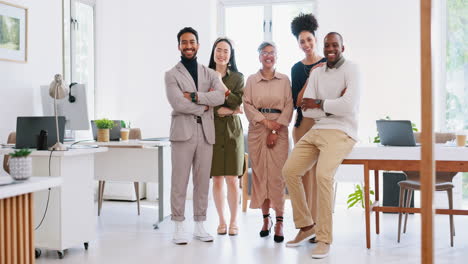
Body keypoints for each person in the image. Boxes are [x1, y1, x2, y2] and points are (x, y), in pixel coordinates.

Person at [283, 32, 361, 259]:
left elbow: (348, 106)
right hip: (317, 128)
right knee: (290, 171)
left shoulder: (352, 70)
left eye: (334, 45)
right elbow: (306, 109)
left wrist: (319, 102)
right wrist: (330, 104)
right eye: (327, 45)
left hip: (342, 131)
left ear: (342, 48)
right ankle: (307, 226)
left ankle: (324, 238)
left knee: (323, 176)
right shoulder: (316, 72)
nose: (330, 49)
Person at [165, 27, 225, 245]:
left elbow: (219, 97)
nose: (188, 46)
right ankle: (178, 226)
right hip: (182, 134)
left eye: (192, 42)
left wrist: (195, 97)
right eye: (184, 42)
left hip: (206, 133)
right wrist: (204, 106)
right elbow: (177, 103)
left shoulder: (211, 74)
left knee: (202, 182)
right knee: (179, 181)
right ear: (179, 46)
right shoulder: (171, 74)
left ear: (198, 45)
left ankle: (200, 225)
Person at [243, 41, 293, 243]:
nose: (268, 56)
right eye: (264, 53)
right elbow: (247, 105)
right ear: (259, 57)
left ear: (277, 56)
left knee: (277, 177)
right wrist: (265, 123)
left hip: (279, 131)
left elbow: (290, 106)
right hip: (257, 130)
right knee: (260, 176)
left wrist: (274, 129)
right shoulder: (251, 80)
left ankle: (280, 221)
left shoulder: (284, 80)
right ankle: (266, 220)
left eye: (272, 53)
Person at [289, 13, 326, 241]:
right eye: (302, 41)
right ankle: (307, 225)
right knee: (303, 175)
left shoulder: (327, 63)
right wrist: (310, 78)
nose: (306, 45)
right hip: (302, 126)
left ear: (315, 38)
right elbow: (297, 102)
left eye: (309, 40)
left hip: (323, 125)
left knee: (320, 175)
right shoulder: (296, 68)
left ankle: (320, 226)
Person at [208, 37, 245, 236]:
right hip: (212, 131)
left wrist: (220, 82)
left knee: (232, 179)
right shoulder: (203, 76)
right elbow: (204, 105)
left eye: (226, 51)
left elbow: (236, 102)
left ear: (230, 56)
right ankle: (221, 221)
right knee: (217, 179)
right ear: (213, 52)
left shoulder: (238, 77)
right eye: (218, 50)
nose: (221, 54)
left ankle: (233, 221)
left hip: (233, 132)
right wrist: (225, 110)